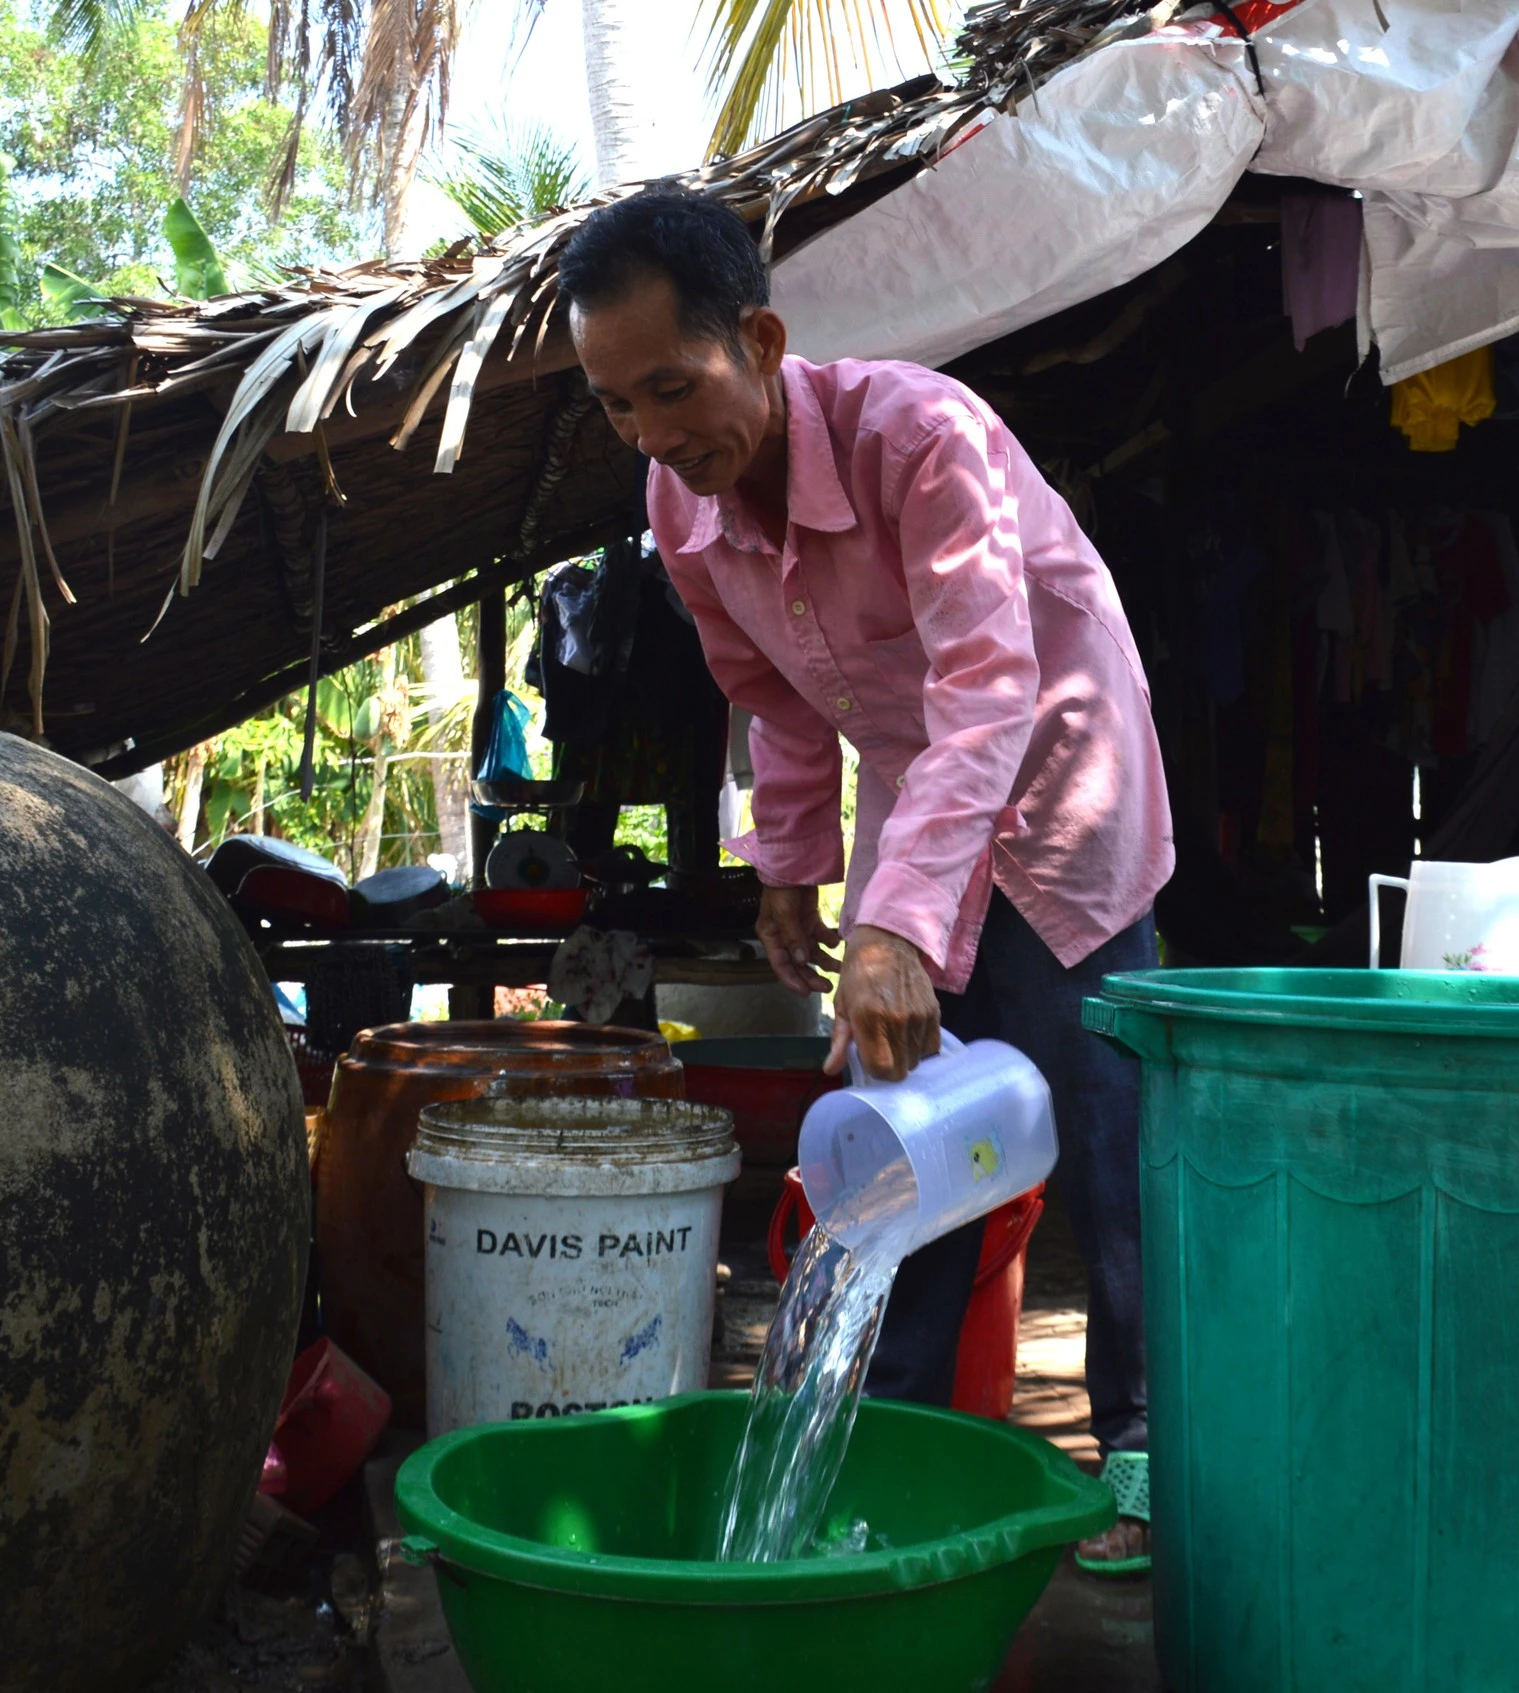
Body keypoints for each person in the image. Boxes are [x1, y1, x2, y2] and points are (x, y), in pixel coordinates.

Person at [558, 187, 1174, 1570]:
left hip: (1067, 776)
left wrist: (893, 920)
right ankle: (878, 1448)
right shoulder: (680, 496)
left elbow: (990, 685)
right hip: (926, 788)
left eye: (672, 388)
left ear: (762, 340)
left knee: (1111, 1131)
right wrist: (791, 866)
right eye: (616, 406)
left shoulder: (919, 436)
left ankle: (1143, 1456)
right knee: (903, 1139)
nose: (653, 436)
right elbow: (766, 693)